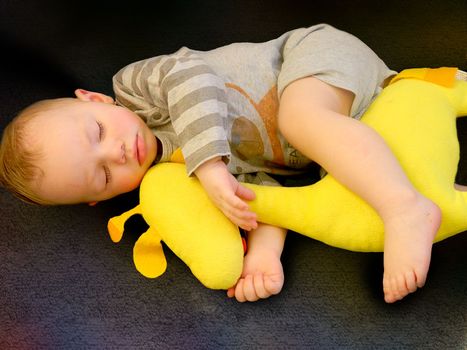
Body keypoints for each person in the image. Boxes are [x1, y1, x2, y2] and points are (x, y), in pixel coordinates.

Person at [0, 24, 444, 304]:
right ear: (104, 200)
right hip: (349, 128)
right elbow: (265, 192)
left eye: (97, 132)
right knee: (336, 194)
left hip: (310, 61)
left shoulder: (136, 89)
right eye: (102, 176)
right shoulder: (170, 181)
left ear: (95, 99)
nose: (115, 153)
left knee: (300, 117)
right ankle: (407, 194)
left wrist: (209, 166)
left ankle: (405, 208)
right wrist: (266, 255)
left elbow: (192, 74)